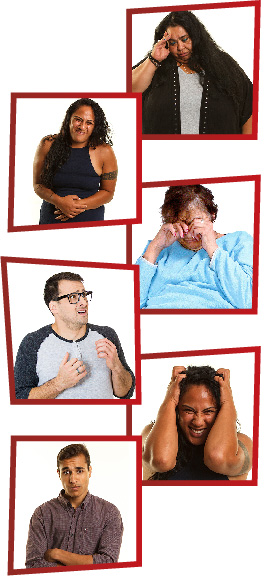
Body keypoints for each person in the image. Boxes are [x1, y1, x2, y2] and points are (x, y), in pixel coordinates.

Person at [14, 271, 135, 399]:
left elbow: (125, 393)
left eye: (83, 295)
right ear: (54, 307)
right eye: (73, 297)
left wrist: (117, 367)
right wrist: (59, 384)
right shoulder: (33, 342)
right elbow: (19, 397)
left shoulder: (107, 335)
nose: (83, 302)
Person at [132, 11, 253, 134]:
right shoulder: (156, 65)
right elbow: (129, 90)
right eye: (173, 42)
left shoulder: (223, 65)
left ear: (196, 36)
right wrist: (154, 59)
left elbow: (250, 108)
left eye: (184, 39)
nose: (180, 47)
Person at [136, 184, 253, 309]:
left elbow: (247, 301)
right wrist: (154, 247)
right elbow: (129, 306)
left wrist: (212, 248)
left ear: (212, 215)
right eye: (180, 224)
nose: (187, 233)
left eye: (195, 222)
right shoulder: (159, 248)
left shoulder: (238, 241)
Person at [142, 366, 253, 481]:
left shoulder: (242, 444)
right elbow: (161, 460)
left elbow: (218, 457)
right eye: (188, 410)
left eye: (208, 411)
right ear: (177, 409)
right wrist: (170, 399)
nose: (198, 422)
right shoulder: (150, 434)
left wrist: (227, 401)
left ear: (221, 411)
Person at [25, 443, 123, 567]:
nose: (73, 479)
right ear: (58, 474)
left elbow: (108, 562)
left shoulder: (109, 512)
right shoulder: (42, 514)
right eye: (66, 472)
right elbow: (33, 564)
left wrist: (58, 554)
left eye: (79, 471)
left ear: (89, 471)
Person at [33, 98, 118, 224]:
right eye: (78, 120)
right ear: (69, 119)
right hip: (51, 220)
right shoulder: (47, 144)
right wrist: (59, 201)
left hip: (90, 223)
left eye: (89, 122)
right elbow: (38, 185)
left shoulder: (105, 151)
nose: (82, 127)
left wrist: (77, 206)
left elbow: (108, 192)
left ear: (95, 126)